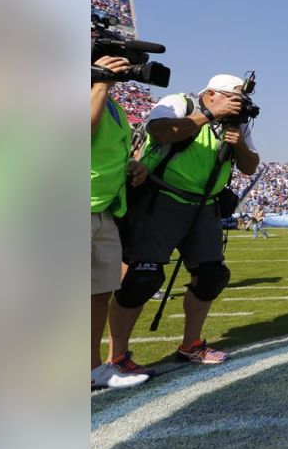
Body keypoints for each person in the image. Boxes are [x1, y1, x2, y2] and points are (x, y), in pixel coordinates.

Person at [108, 74, 261, 368]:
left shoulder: (236, 122)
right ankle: (117, 357)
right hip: (160, 199)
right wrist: (207, 115)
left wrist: (240, 144)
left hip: (204, 208)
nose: (238, 105)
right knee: (142, 279)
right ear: (212, 94)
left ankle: (191, 344)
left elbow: (250, 166)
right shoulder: (179, 102)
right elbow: (161, 131)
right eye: (233, 98)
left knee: (212, 276)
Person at [91, 59, 150, 389]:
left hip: (104, 209)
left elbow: (104, 149)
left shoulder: (111, 102)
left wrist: (131, 165)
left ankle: (91, 369)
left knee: (98, 293)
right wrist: (99, 84)